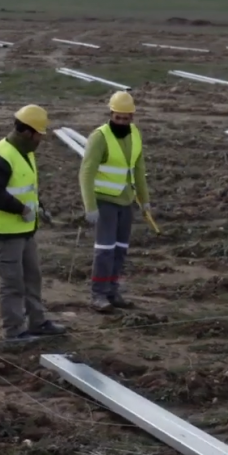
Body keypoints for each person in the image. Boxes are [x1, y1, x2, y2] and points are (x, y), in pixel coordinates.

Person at [0, 104, 67, 344]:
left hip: (25, 228)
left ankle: (37, 322)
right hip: (5, 231)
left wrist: (39, 206)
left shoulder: (25, 152)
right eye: (39, 133)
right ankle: (14, 332)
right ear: (27, 132)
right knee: (12, 283)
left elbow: (26, 187)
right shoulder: (1, 155)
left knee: (32, 278)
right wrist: (22, 209)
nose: (41, 138)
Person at [80, 90, 151, 313]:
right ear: (111, 114)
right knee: (105, 250)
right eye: (118, 117)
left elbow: (138, 169)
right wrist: (90, 206)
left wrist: (144, 199)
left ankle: (112, 290)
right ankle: (98, 294)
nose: (121, 121)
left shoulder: (135, 135)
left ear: (132, 117)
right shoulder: (99, 137)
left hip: (125, 201)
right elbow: (86, 173)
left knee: (120, 249)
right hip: (105, 202)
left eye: (126, 118)